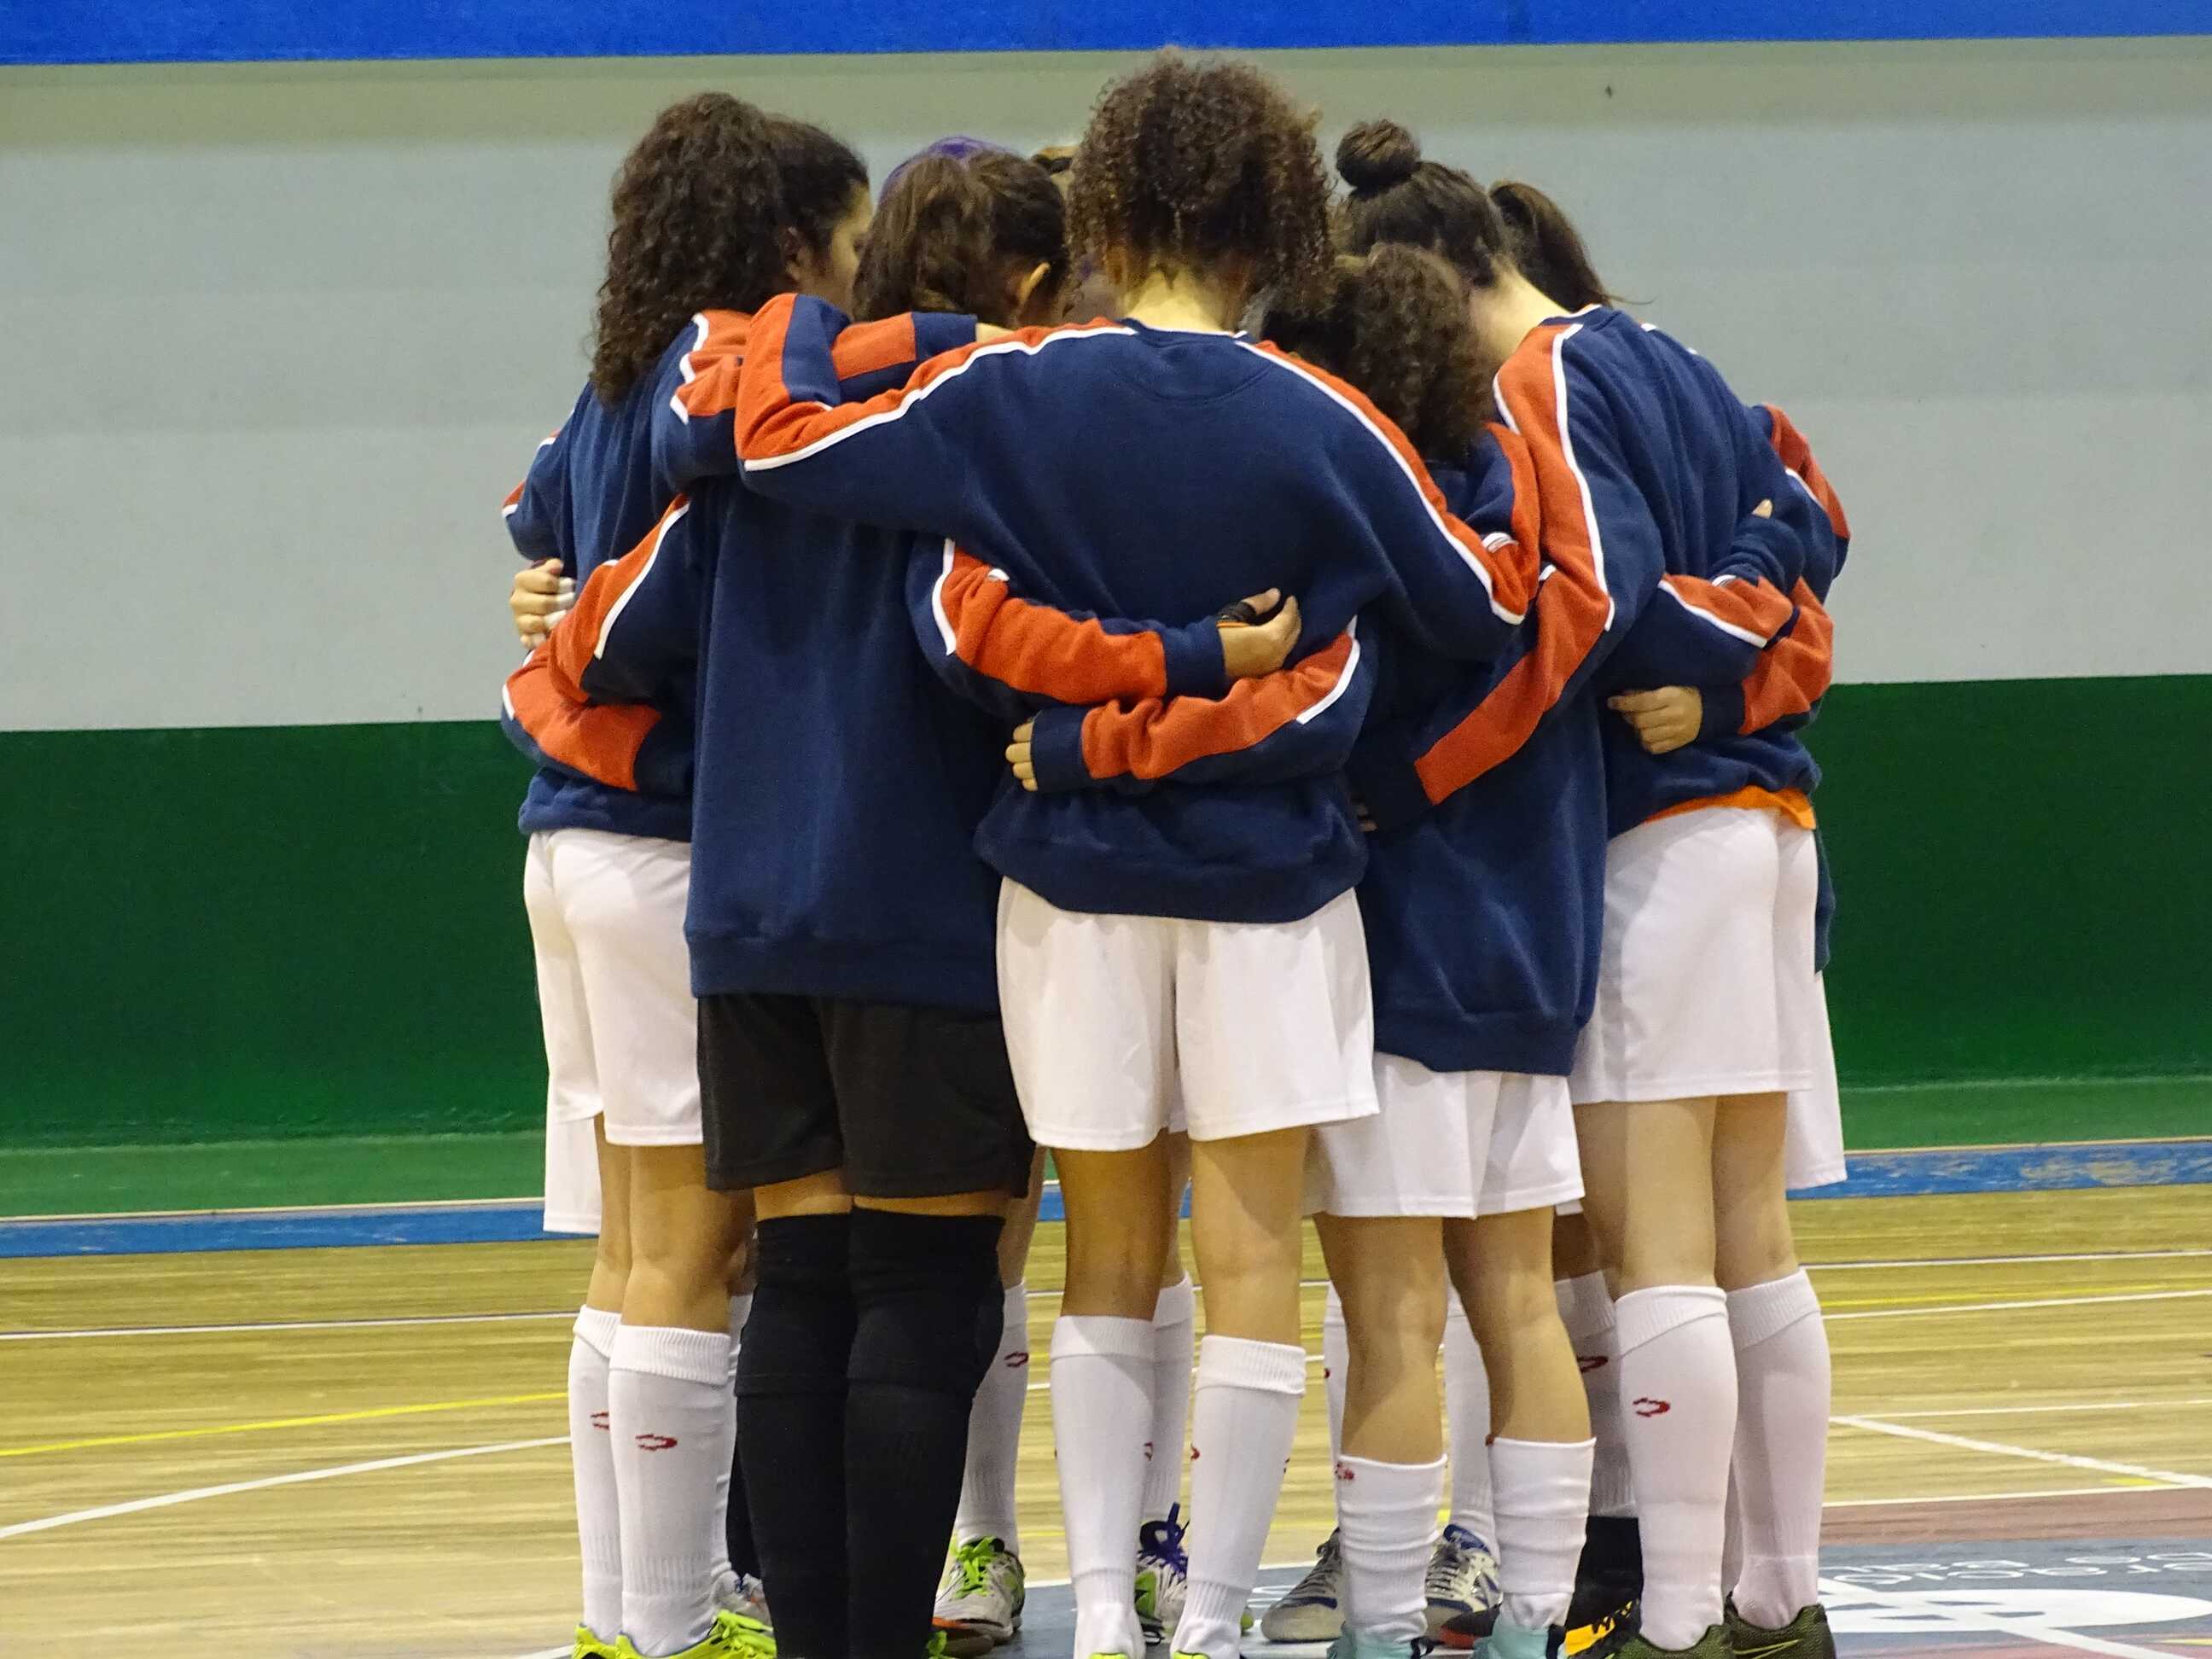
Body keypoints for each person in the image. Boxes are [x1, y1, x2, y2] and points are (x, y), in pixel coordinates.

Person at [726, 54, 1551, 1659]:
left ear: (1101, 208)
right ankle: (1214, 1621)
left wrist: (862, 332)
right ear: (1275, 218)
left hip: (1068, 883)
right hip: (1270, 892)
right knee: (1248, 1268)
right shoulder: (1324, 414)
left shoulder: (1008, 390)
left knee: (1105, 1258)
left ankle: (1104, 1611)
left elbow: (784, 452)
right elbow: (1485, 604)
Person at [525, 137, 1300, 1659]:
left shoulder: (743, 442)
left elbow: (603, 637)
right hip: (916, 917)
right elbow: (987, 639)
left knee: (802, 1289)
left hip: (746, 919)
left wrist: (585, 651)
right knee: (923, 1293)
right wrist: (1197, 653)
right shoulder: (983, 427)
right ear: (1031, 283)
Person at [1332, 122, 1848, 1659]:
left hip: (1659, 845)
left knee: (1662, 1247)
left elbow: (1592, 598)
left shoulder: (1538, 379)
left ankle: (1680, 1624)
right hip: (1766, 828)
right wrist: (1746, 669)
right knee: (1752, 1236)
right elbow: (1810, 517)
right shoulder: (1672, 352)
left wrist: (1427, 770)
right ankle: (1779, 1599)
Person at [498, 96, 872, 1659]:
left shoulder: (608, 377)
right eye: (844, 242)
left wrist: (546, 603)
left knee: (627, 1248)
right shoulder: (716, 363)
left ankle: (622, 1616)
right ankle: (670, 1624)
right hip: (657, 844)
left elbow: (528, 523)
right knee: (692, 1250)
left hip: (567, 841)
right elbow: (642, 589)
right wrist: (584, 627)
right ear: (783, 236)